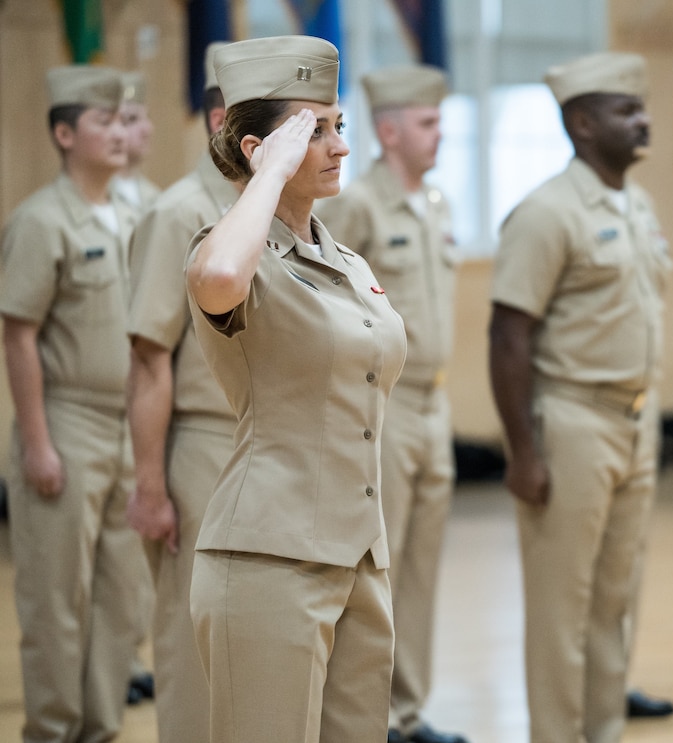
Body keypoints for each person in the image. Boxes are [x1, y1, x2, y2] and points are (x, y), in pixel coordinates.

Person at [186, 36, 405, 743]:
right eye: (315, 131)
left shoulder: (343, 258)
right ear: (260, 147)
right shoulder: (230, 249)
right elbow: (219, 279)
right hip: (268, 559)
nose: (339, 145)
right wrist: (270, 177)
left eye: (338, 125)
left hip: (357, 558)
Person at [488, 51, 672, 743]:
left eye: (641, 106)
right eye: (627, 111)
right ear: (583, 124)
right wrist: (523, 452)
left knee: (613, 603)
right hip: (571, 420)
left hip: (636, 418)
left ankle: (603, 730)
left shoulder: (637, 203)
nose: (643, 120)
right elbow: (507, 335)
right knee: (562, 609)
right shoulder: (545, 212)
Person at [315, 64, 467, 743]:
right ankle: (366, 717)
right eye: (428, 123)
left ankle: (406, 711)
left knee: (422, 570)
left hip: (435, 405)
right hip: (383, 407)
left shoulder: (435, 204)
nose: (440, 135)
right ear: (387, 130)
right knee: (377, 567)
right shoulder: (358, 206)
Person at [0, 65, 148, 742]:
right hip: (65, 419)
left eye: (124, 121)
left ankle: (100, 726)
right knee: (58, 599)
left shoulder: (134, 213)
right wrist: (36, 442)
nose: (120, 133)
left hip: (126, 426)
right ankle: (52, 730)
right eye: (102, 122)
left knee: (121, 596)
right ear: (64, 133)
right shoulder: (39, 221)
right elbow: (19, 333)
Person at [125, 41, 239, 743]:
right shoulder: (179, 213)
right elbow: (148, 358)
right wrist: (150, 487)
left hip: (275, 443)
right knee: (193, 639)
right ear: (224, 118)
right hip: (203, 447)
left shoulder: (280, 210)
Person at [113, 71, 160, 211]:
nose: (147, 129)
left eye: (147, 117)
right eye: (132, 119)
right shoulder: (98, 196)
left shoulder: (154, 195)